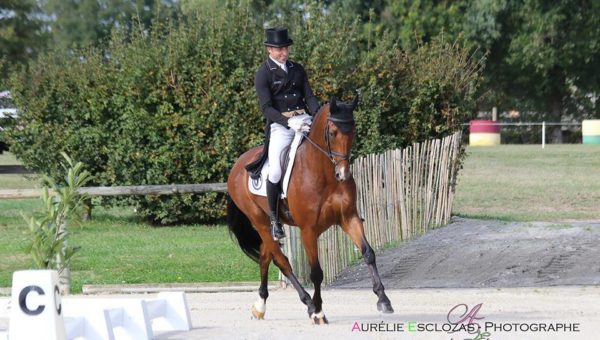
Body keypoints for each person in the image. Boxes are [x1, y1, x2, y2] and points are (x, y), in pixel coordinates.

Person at [251, 27, 320, 240]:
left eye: (285, 48)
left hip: (304, 120)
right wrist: (288, 122)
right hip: (281, 126)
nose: (284, 52)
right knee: (275, 171)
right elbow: (266, 108)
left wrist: (316, 116)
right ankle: (274, 219)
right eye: (279, 49)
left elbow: (309, 96)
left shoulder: (297, 69)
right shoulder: (263, 74)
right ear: (270, 50)